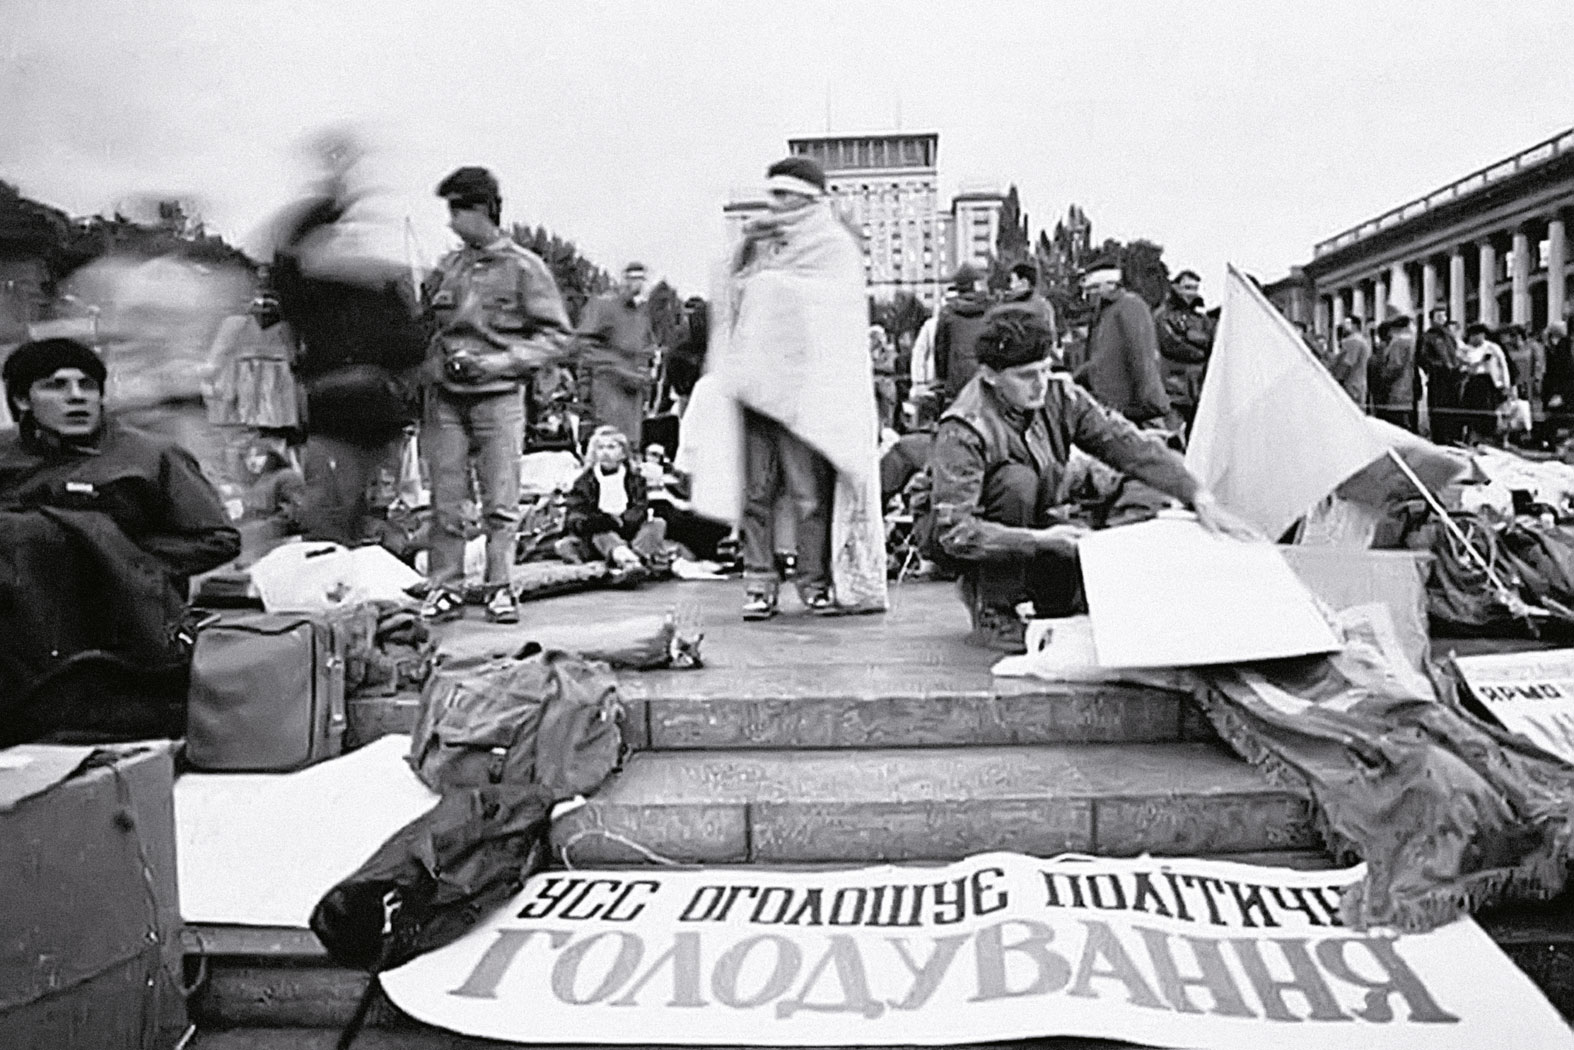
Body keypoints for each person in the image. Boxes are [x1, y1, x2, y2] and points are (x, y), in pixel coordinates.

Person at [923, 308, 1250, 652]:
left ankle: (1054, 592)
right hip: (961, 532)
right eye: (1026, 375)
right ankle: (993, 609)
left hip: (1037, 512)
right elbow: (954, 532)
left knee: (1071, 588)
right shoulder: (963, 427)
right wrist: (1042, 540)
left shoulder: (1061, 394)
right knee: (1016, 482)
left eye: (1046, 369)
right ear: (990, 376)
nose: (1040, 384)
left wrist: (1196, 493)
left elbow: (1127, 445)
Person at [0, 338, 240, 742]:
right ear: (23, 400)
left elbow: (218, 539)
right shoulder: (5, 458)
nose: (76, 397)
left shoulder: (149, 456)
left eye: (87, 385)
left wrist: (115, 556)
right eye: (56, 386)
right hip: (22, 632)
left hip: (123, 630)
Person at [687, 155, 887, 619]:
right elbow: (729, 300)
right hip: (756, 388)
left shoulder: (833, 246)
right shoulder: (758, 242)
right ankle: (759, 582)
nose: (775, 203)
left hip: (805, 394)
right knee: (756, 494)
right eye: (773, 194)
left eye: (784, 195)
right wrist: (746, 255)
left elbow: (833, 313)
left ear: (807, 197)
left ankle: (813, 583)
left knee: (807, 495)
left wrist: (769, 285)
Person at [419, 166, 572, 624]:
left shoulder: (526, 268)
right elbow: (427, 329)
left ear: (483, 209)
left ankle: (500, 586)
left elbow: (557, 337)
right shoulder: (447, 268)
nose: (451, 222)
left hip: (499, 396)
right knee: (445, 500)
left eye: (458, 211)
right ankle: (444, 588)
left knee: (501, 501)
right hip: (446, 397)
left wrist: (500, 362)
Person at [556, 426, 666, 571]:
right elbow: (576, 514)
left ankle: (636, 558)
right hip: (599, 533)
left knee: (657, 524)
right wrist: (606, 521)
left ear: (623, 452)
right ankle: (625, 559)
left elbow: (640, 508)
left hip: (629, 530)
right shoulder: (584, 482)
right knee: (602, 535)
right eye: (600, 448)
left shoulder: (635, 480)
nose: (605, 453)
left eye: (611, 447)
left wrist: (622, 521)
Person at [1081, 258, 1172, 428]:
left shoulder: (1130, 306)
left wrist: (1151, 404)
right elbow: (1101, 360)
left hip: (1131, 410)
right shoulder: (1102, 314)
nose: (1089, 295)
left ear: (1111, 284)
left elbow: (1141, 356)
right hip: (1109, 408)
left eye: (1094, 288)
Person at [576, 262, 656, 447]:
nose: (637, 284)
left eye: (641, 279)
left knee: (629, 445)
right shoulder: (603, 306)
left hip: (633, 394)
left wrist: (645, 374)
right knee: (609, 443)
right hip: (608, 390)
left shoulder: (641, 314)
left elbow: (647, 348)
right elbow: (584, 346)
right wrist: (617, 368)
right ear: (624, 280)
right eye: (633, 278)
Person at [1152, 268, 1215, 429]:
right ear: (1176, 287)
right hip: (1172, 390)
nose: (1191, 293)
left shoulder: (1202, 320)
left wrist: (1190, 337)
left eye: (1195, 288)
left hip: (1197, 391)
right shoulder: (1162, 315)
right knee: (1171, 435)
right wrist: (1199, 348)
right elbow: (1170, 344)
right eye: (1187, 288)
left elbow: (1212, 344)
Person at [932, 265, 992, 405]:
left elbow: (941, 350)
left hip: (957, 377)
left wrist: (942, 378)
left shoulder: (947, 313)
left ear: (957, 287)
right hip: (984, 375)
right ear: (974, 285)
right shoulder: (990, 310)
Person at [1459, 323, 1511, 443]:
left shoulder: (1492, 348)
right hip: (1473, 381)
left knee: (1490, 409)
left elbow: (1503, 365)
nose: (1477, 337)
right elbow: (1463, 366)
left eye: (1480, 334)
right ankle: (1472, 435)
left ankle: (1489, 436)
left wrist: (1505, 383)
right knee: (1472, 411)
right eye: (1474, 335)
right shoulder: (1466, 350)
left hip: (1489, 382)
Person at [1418, 306, 1462, 443]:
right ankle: (1440, 438)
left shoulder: (1449, 336)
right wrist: (1439, 367)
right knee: (1438, 410)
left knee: (1453, 409)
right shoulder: (1428, 337)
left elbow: (1455, 354)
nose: (1442, 319)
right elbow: (1423, 358)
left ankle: (1453, 437)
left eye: (1444, 316)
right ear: (1432, 319)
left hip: (1453, 378)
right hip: (1438, 379)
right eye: (1439, 317)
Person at [1369, 314, 1416, 430]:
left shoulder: (1399, 343)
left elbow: (1395, 366)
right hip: (1405, 393)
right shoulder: (1409, 341)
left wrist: (1383, 379)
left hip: (1396, 394)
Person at [1329, 317, 1372, 407]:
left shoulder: (1353, 341)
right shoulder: (1362, 340)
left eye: (1347, 323)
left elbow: (1348, 362)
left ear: (1354, 325)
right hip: (1359, 382)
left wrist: (1336, 379)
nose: (1344, 326)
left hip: (1351, 383)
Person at [870, 325, 899, 432]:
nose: (874, 340)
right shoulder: (867, 352)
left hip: (886, 384)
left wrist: (873, 366)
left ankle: (886, 430)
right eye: (872, 337)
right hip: (873, 384)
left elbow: (890, 366)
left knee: (887, 414)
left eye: (876, 337)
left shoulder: (889, 351)